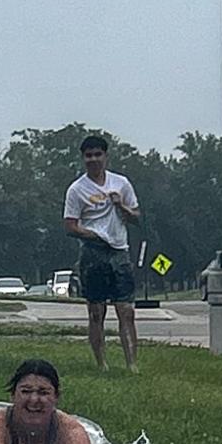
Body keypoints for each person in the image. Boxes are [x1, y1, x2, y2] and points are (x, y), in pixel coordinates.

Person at [62, 134, 141, 371]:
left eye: (98, 154)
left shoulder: (121, 183)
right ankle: (102, 364)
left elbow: (136, 217)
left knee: (126, 310)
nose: (93, 159)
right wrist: (93, 235)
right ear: (83, 158)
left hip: (119, 251)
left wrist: (121, 205)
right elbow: (70, 226)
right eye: (88, 155)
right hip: (93, 252)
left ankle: (132, 364)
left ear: (106, 156)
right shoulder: (77, 190)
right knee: (96, 311)